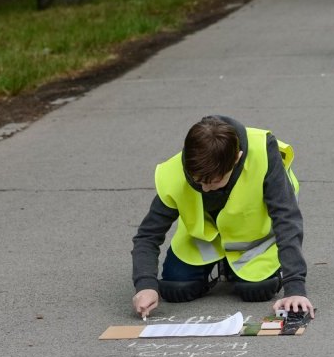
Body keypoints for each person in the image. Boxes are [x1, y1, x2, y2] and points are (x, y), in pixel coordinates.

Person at [131, 116, 312, 319]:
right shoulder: (176, 172)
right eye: (198, 182)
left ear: (237, 158)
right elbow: (147, 236)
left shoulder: (264, 152)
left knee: (257, 290)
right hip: (203, 243)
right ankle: (219, 267)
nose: (205, 189)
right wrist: (145, 286)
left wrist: (295, 288)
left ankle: (238, 271)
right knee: (175, 290)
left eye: (214, 182)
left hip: (254, 244)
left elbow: (286, 219)